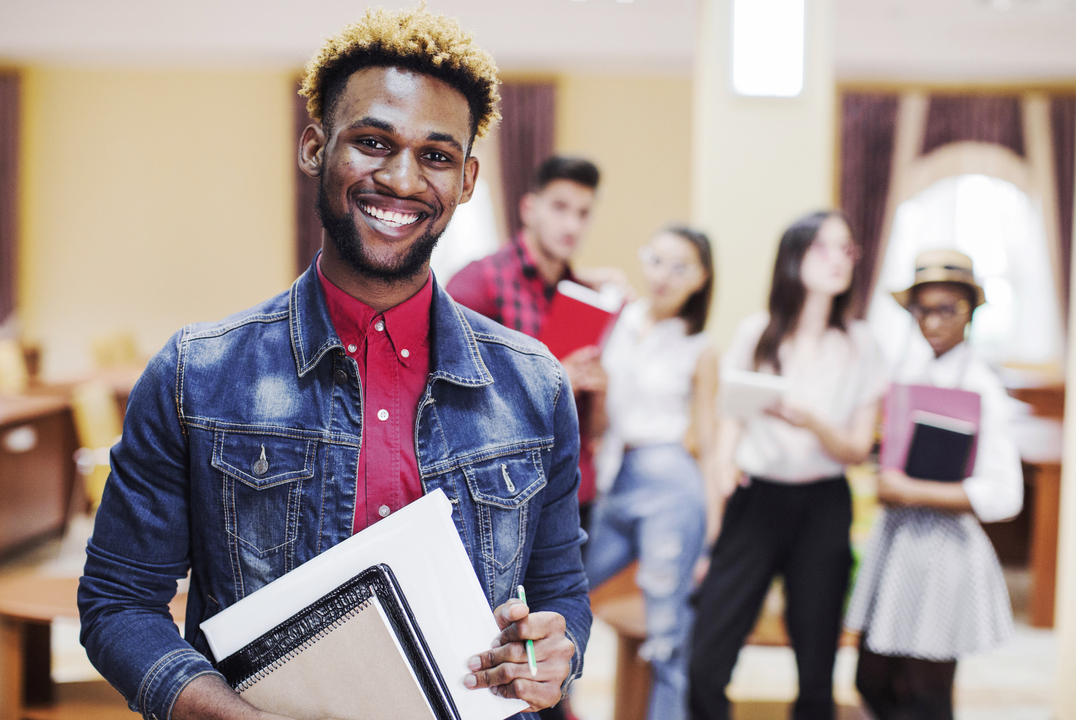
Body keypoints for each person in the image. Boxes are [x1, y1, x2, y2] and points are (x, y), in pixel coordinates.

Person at [77, 8, 590, 720]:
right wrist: (211, 710)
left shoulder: (535, 386)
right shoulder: (196, 375)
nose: (402, 178)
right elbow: (118, 602)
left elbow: (560, 589)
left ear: (468, 180)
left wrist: (547, 659)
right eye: (374, 142)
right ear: (315, 147)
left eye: (436, 156)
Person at [689, 211, 890, 720]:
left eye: (847, 250)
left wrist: (813, 424)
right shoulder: (759, 333)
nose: (840, 259)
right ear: (796, 257)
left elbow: (856, 450)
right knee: (707, 665)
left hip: (823, 504)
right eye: (827, 248)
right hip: (755, 501)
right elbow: (730, 421)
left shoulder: (862, 345)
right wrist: (724, 466)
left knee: (817, 665)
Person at [845, 249, 1022, 720]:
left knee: (926, 690)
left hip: (943, 551)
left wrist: (911, 491)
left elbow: (1005, 494)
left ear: (970, 312)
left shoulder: (983, 388)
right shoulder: (906, 373)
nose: (933, 321)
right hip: (896, 542)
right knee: (872, 678)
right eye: (923, 309)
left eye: (948, 308)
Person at [585, 227, 718, 720]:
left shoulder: (699, 346)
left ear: (701, 279)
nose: (665, 275)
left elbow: (706, 440)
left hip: (671, 485)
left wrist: (713, 527)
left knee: (666, 634)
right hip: (615, 477)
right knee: (569, 591)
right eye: (658, 260)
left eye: (681, 267)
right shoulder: (619, 317)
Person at [447, 155, 620, 535]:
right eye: (560, 207)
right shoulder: (479, 284)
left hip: (573, 489)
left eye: (583, 213)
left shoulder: (584, 297)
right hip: (501, 491)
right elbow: (449, 406)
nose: (572, 225)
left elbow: (592, 426)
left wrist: (598, 390)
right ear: (529, 208)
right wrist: (555, 382)